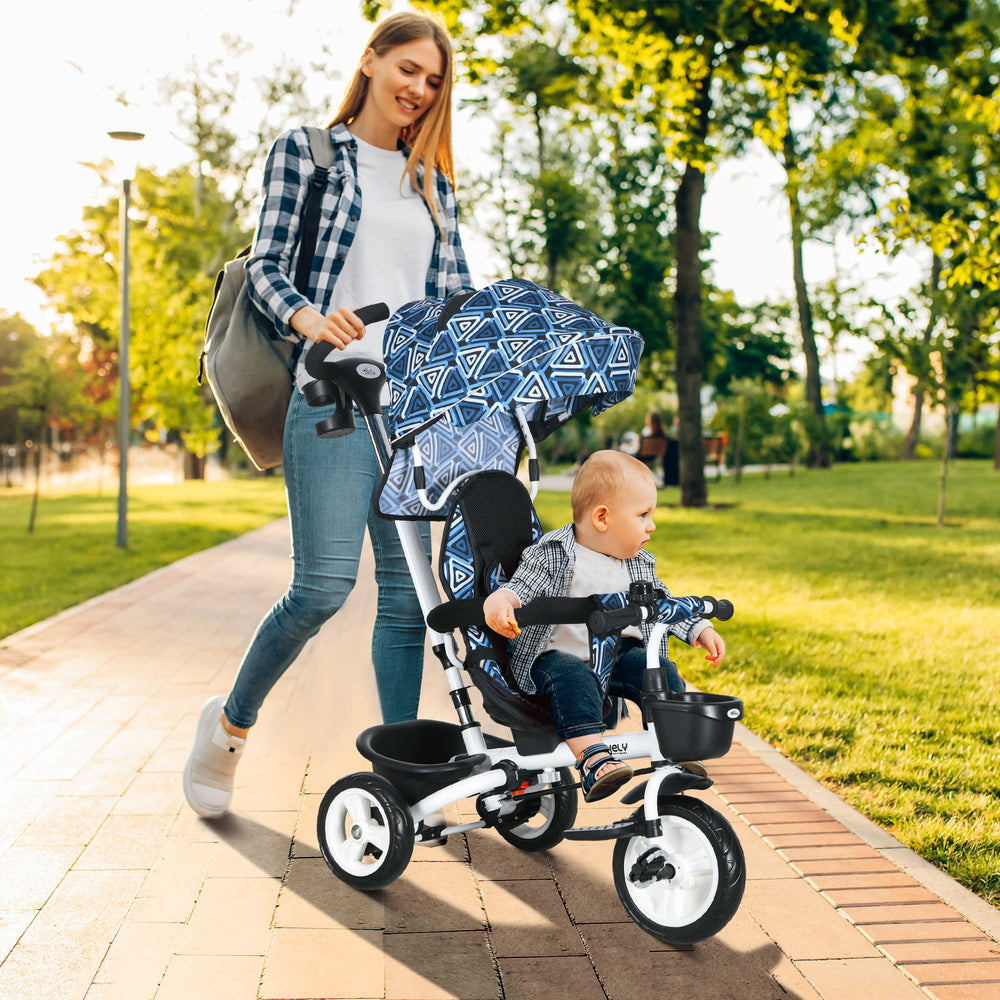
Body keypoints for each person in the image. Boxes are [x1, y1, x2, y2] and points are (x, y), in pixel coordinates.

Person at [183, 11, 475, 818]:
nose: (418, 89)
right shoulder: (307, 153)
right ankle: (229, 730)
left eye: (433, 80)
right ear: (371, 60)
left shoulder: (433, 183)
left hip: (410, 409)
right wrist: (311, 318)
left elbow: (453, 301)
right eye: (408, 68)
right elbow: (267, 264)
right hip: (331, 396)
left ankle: (404, 778)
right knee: (319, 587)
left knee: (406, 595)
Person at [483, 451, 726, 802]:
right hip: (556, 655)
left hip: (616, 654)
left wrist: (697, 629)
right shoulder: (553, 553)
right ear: (602, 518)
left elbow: (661, 602)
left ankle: (676, 745)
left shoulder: (637, 562)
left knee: (656, 668)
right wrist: (501, 601)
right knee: (572, 676)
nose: (651, 525)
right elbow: (522, 586)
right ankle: (592, 757)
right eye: (643, 515)